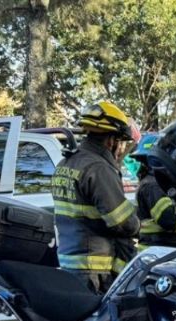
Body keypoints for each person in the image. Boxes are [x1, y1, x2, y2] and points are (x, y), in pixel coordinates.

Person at [51, 101, 141, 293]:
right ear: (111, 140)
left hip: (70, 263)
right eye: (120, 141)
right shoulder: (98, 168)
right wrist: (140, 225)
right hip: (95, 268)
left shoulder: (67, 163)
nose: (119, 148)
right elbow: (123, 223)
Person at [134, 137, 176, 251]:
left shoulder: (153, 183)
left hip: (159, 250)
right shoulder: (153, 185)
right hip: (159, 251)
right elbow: (168, 219)